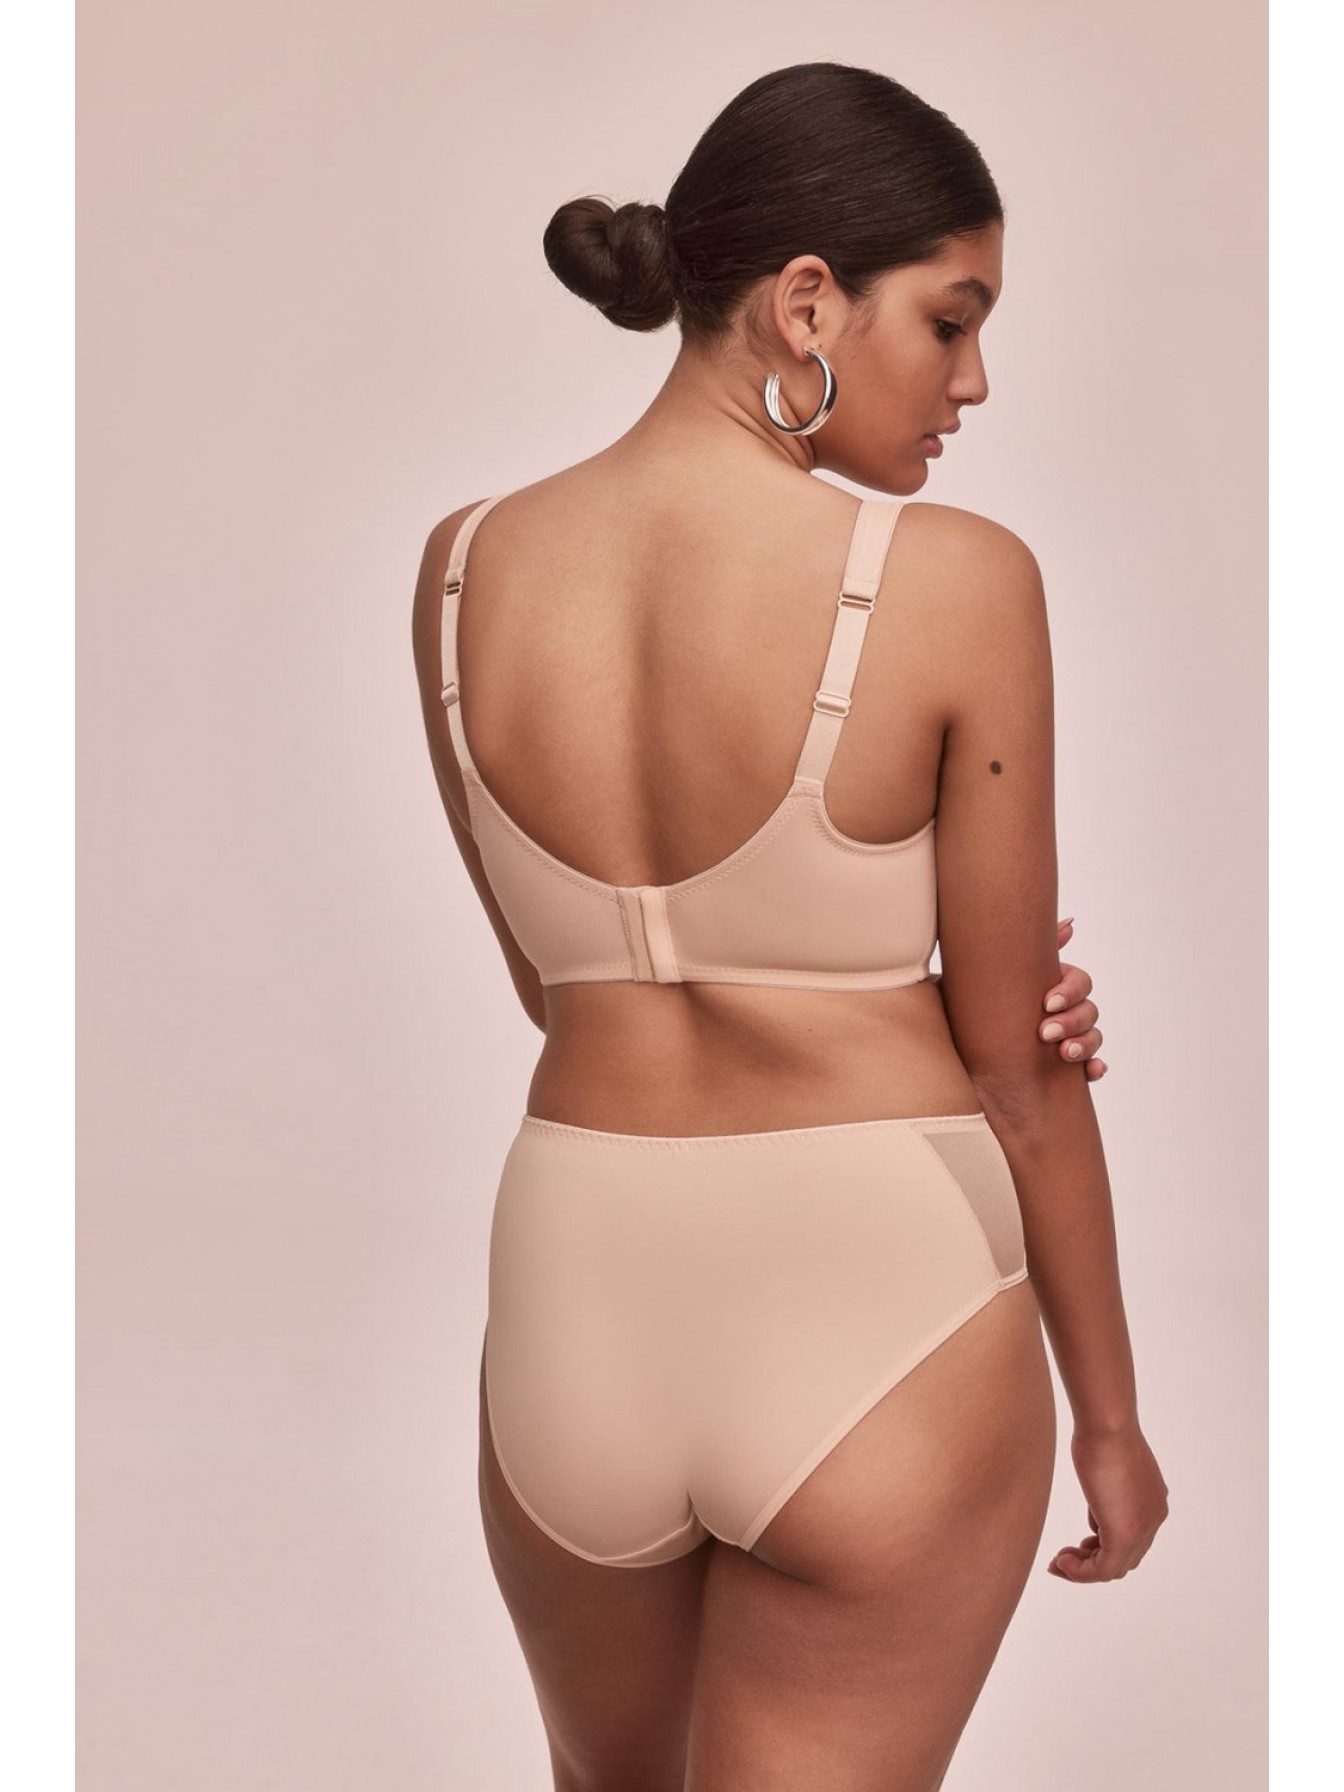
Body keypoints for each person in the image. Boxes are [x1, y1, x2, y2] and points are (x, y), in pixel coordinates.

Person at [411, 60, 1168, 1792]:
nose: (974, 382)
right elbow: (1016, 1073)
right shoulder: (960, 579)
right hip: (876, 1297)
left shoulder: (460, 570)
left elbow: (558, 986)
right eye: (951, 321)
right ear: (808, 301)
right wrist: (1113, 1420)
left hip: (576, 1303)